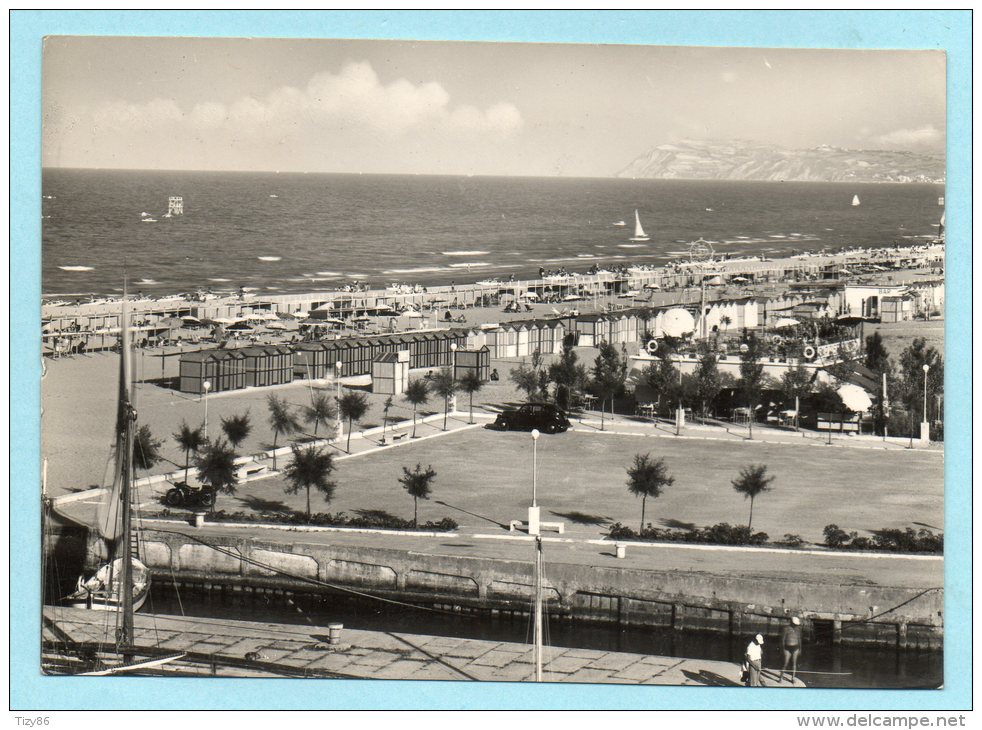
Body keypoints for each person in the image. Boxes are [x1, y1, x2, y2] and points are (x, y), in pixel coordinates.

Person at [779, 617, 802, 684]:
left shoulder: (798, 629)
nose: (796, 625)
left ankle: (793, 678)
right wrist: (782, 649)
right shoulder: (786, 629)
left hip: (796, 647)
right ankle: (780, 677)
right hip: (787, 648)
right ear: (792, 622)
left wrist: (800, 649)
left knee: (794, 663)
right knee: (785, 663)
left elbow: (799, 639)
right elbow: (783, 640)